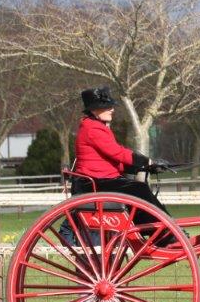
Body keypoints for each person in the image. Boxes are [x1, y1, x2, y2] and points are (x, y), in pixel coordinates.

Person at [72, 86, 171, 221]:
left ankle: (162, 228)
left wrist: (142, 167)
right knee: (139, 189)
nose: (112, 109)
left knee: (139, 188)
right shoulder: (93, 129)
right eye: (107, 107)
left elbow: (111, 161)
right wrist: (148, 162)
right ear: (94, 110)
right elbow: (118, 153)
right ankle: (164, 230)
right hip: (96, 182)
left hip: (99, 179)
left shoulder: (92, 126)